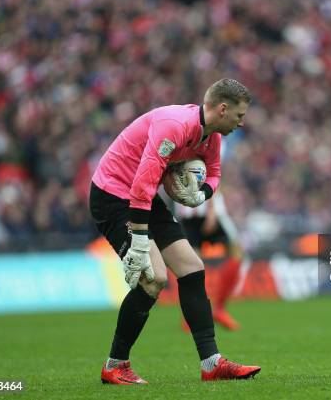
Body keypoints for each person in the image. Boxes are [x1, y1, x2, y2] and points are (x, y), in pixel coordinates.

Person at [89, 78, 261, 384]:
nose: (242, 122)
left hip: (143, 197)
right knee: (153, 279)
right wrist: (140, 240)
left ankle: (212, 364)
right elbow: (142, 181)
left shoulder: (211, 137)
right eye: (239, 115)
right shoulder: (174, 125)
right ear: (222, 109)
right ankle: (115, 365)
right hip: (113, 194)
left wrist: (201, 195)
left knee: (192, 268)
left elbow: (216, 173)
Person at [176, 189, 244, 331]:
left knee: (236, 253)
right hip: (188, 212)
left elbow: (211, 173)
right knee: (191, 265)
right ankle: (193, 314)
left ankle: (219, 309)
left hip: (210, 208)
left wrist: (212, 208)